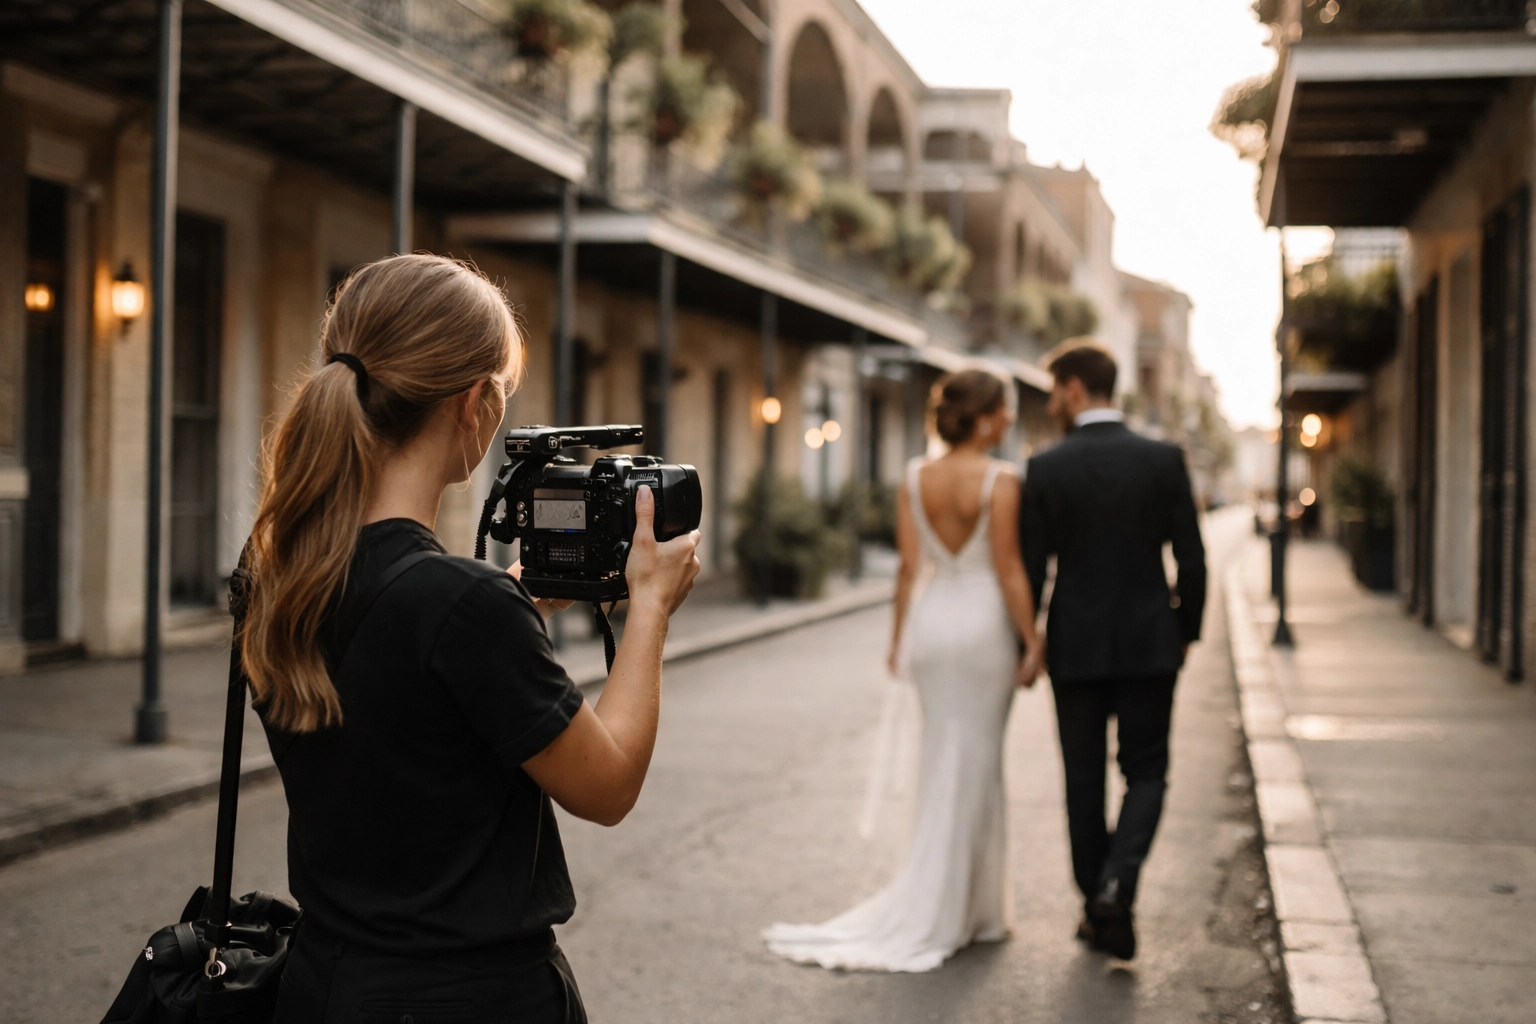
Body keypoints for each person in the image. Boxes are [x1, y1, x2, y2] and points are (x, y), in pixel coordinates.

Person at [242, 255, 700, 1022]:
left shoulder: (281, 580)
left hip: (323, 987)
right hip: (470, 999)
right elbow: (609, 786)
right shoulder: (460, 607)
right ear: (475, 403)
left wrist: (510, 605)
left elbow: (401, 703)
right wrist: (650, 606)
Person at [763, 368, 1044, 973]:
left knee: (941, 756)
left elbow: (909, 570)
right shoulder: (1002, 479)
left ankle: (960, 905)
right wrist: (1032, 639)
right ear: (985, 417)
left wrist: (898, 641)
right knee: (979, 762)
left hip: (933, 626)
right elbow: (1009, 568)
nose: (1011, 418)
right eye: (1006, 408)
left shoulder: (915, 477)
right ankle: (969, 910)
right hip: (984, 628)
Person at [1019, 339, 1206, 962]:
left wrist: (1028, 640)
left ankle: (1096, 901)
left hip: (1074, 644)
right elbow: (1192, 558)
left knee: (1082, 777)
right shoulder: (1163, 459)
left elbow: (1031, 569)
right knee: (1146, 770)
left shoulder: (1046, 468)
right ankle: (1117, 886)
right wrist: (1185, 631)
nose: (1052, 404)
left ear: (1074, 389)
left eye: (1055, 392)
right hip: (1151, 641)